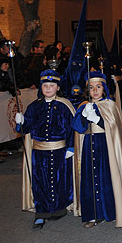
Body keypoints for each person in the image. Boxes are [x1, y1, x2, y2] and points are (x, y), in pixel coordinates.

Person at [72, 71, 122, 228]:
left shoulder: (110, 105)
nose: (95, 91)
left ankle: (110, 211)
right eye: (91, 88)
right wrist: (84, 116)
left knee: (106, 179)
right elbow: (77, 127)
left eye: (98, 87)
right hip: (88, 146)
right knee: (90, 179)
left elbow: (115, 128)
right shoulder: (84, 106)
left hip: (106, 147)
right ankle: (93, 214)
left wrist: (97, 119)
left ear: (104, 88)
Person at [15, 70, 76, 229]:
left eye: (52, 85)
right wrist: (20, 123)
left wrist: (71, 146)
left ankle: (58, 207)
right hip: (39, 153)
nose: (48, 88)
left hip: (59, 151)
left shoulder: (64, 106)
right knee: (39, 181)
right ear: (41, 88)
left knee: (59, 180)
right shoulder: (34, 107)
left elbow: (71, 128)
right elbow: (25, 129)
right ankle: (41, 212)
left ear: (57, 87)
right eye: (45, 85)